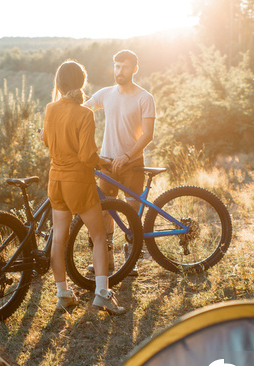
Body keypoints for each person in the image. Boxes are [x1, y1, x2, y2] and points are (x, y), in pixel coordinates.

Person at [41, 60, 125, 316]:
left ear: (58, 83)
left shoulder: (50, 108)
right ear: (81, 83)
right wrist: (105, 162)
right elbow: (88, 156)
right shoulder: (84, 113)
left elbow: (46, 140)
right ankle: (102, 294)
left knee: (58, 238)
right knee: (99, 237)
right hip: (79, 182)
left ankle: (63, 294)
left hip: (55, 181)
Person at [85, 50, 156, 276]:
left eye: (124, 67)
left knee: (132, 213)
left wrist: (126, 156)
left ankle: (131, 259)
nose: (119, 71)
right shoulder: (106, 94)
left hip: (132, 164)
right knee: (105, 212)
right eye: (116, 66)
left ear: (134, 69)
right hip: (106, 164)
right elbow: (82, 110)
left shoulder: (145, 98)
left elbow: (148, 134)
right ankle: (107, 261)